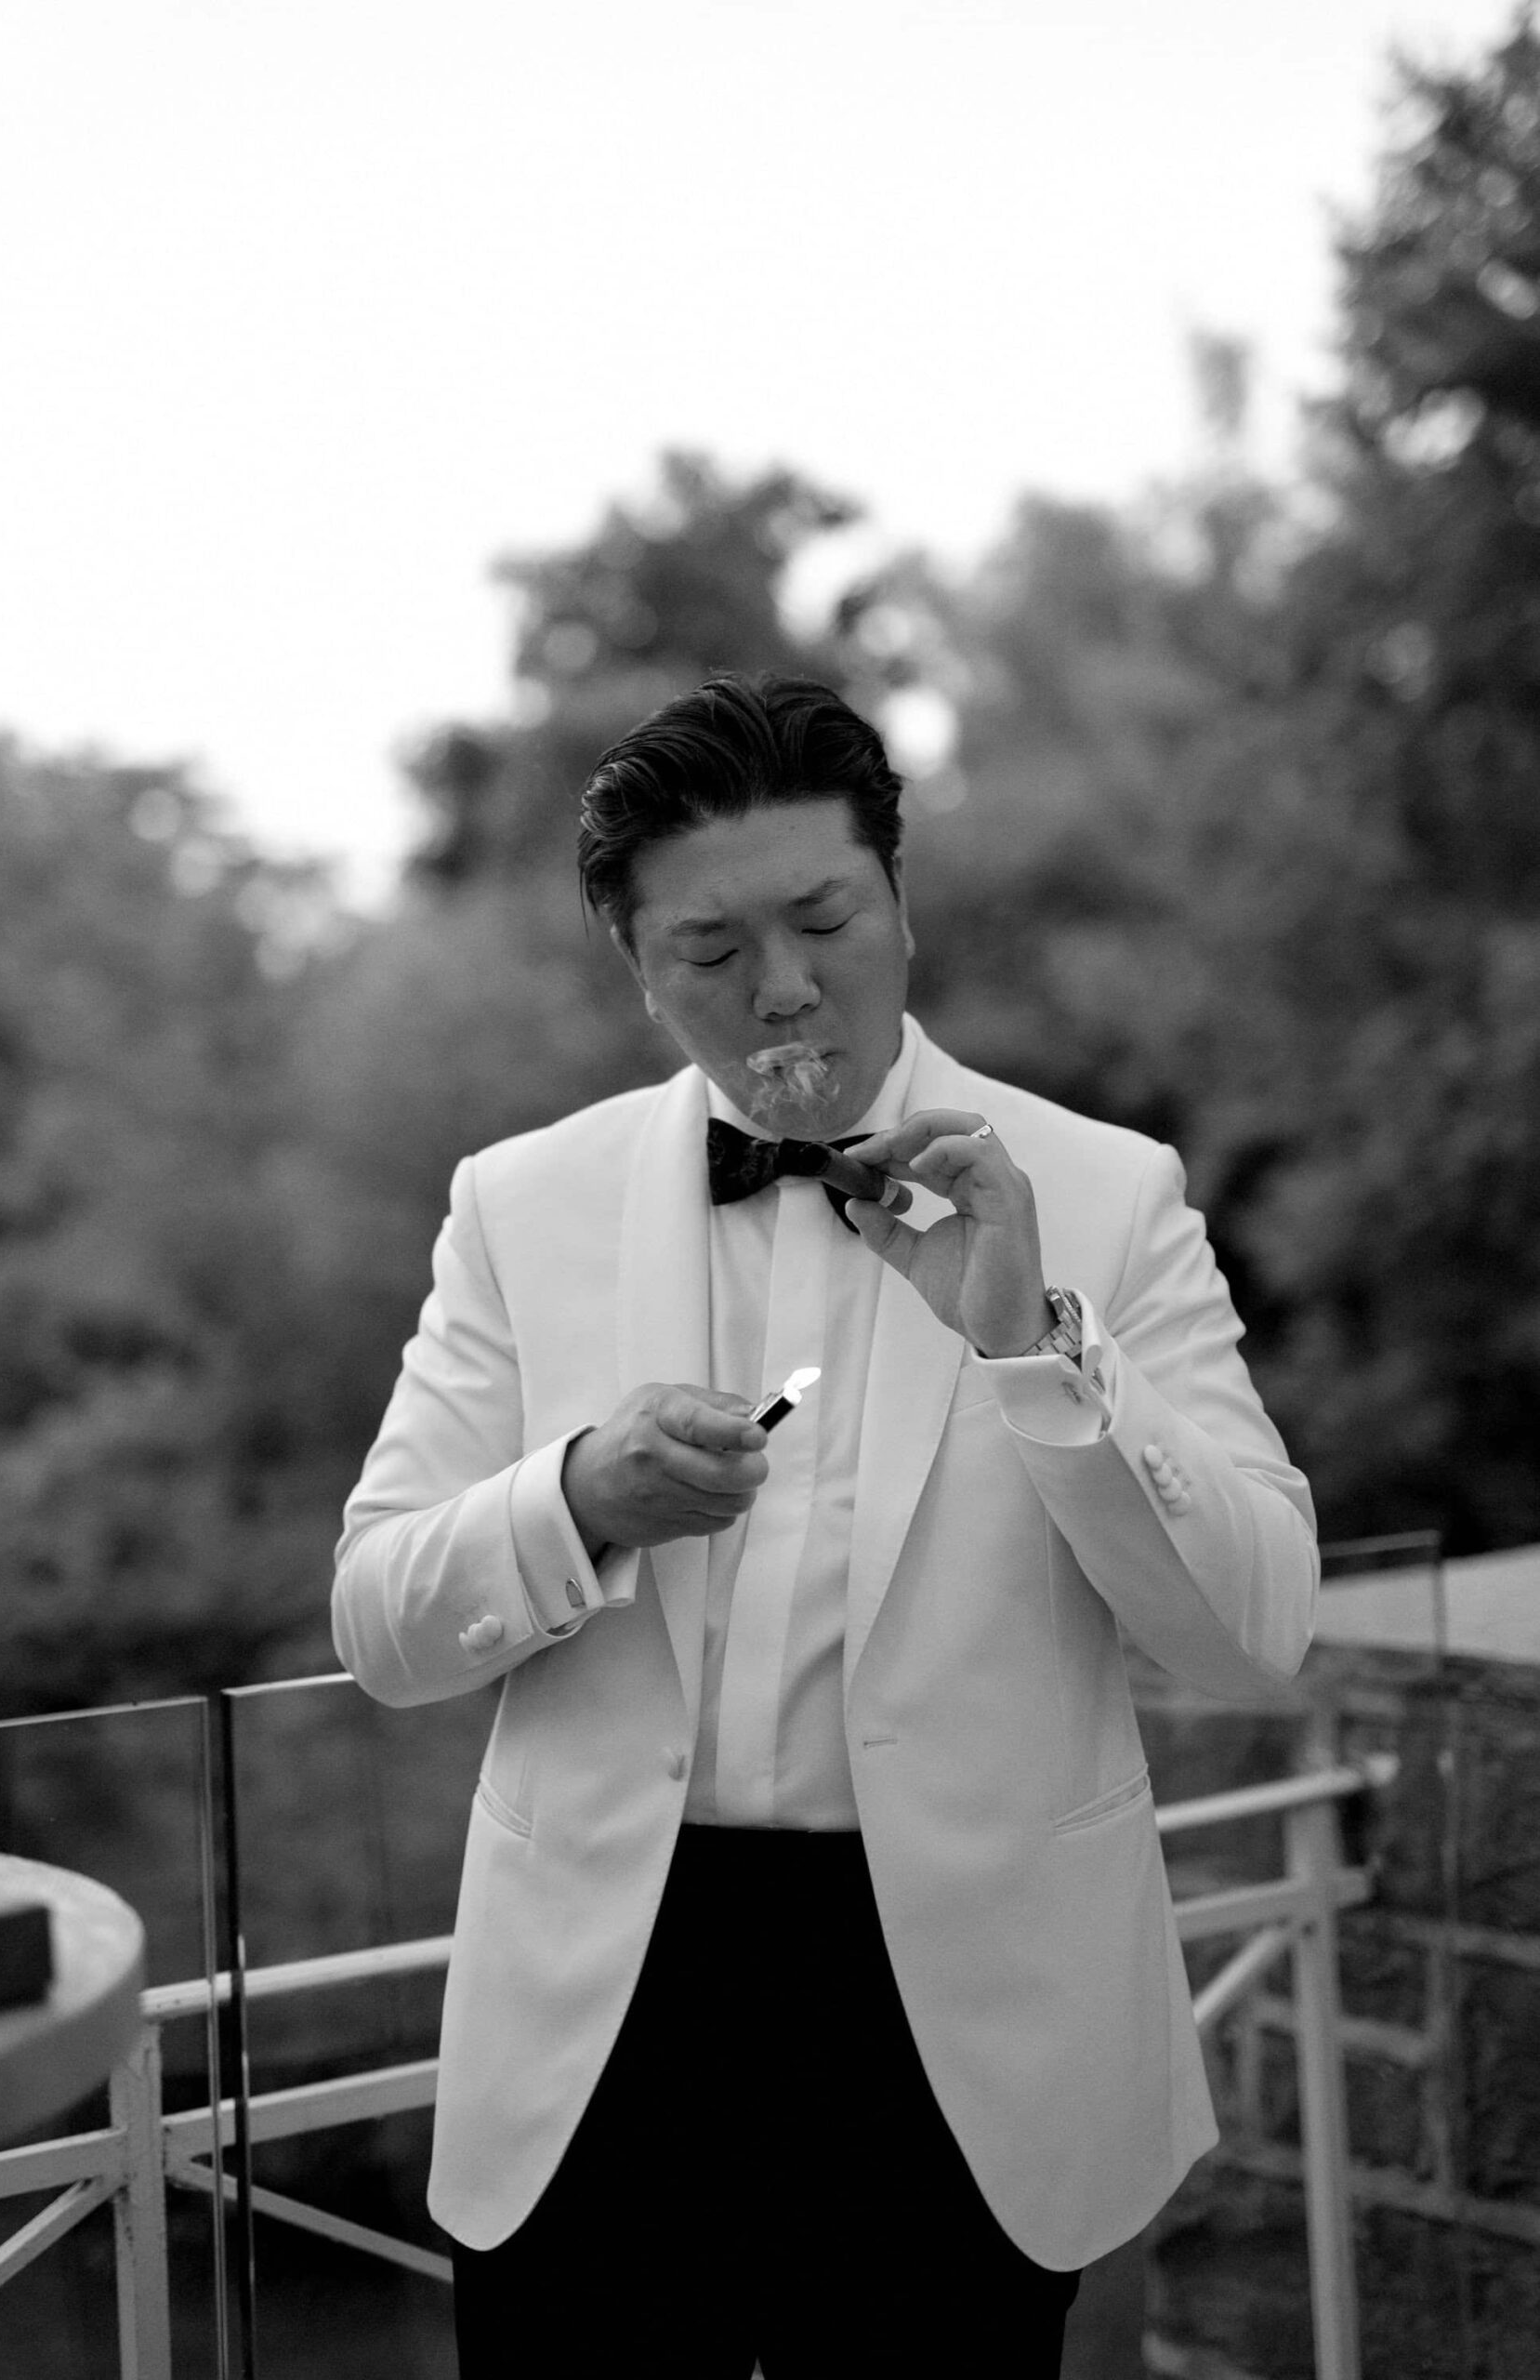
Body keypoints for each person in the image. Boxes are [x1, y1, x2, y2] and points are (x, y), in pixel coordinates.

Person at [331, 672, 1318, 2378]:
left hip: (970, 2019)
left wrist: (1035, 1350)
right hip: (603, 2016)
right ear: (642, 971)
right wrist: (574, 1497)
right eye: (712, 952)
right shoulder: (518, 1203)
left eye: (826, 919)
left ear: (902, 906)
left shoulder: (1112, 1191)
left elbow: (1254, 1635)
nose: (786, 988)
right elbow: (378, 1622)